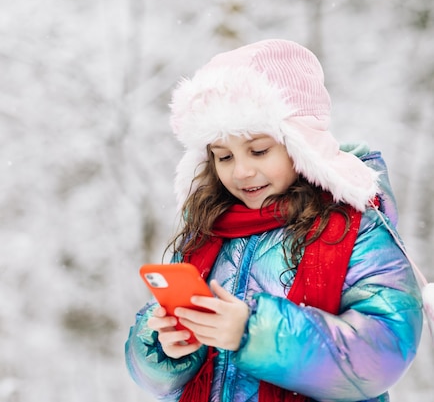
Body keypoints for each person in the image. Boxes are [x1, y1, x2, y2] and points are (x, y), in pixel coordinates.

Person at [125, 39, 423, 402]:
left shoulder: (352, 225)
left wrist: (253, 332)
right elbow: (157, 380)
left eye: (259, 150)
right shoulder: (209, 227)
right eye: (223, 157)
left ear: (300, 143)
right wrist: (167, 349)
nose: (242, 171)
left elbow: (384, 350)